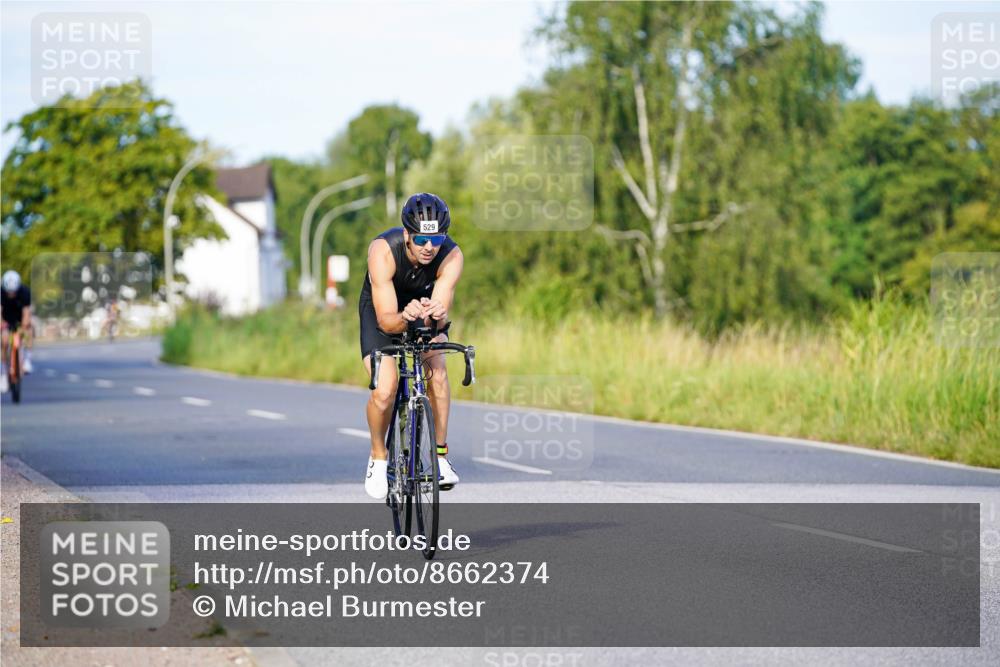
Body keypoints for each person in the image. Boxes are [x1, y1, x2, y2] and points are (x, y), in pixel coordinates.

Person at [358, 193, 464, 499]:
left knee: (438, 371)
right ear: (407, 234)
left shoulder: (452, 256)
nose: (430, 247)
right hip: (384, 313)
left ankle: (440, 458)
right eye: (420, 239)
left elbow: (438, 320)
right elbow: (388, 323)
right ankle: (378, 458)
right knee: (385, 389)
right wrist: (406, 316)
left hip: (421, 313)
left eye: (437, 239)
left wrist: (438, 318)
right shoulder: (383, 251)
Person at [1, 270, 33, 392]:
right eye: (9, 292)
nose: (11, 294)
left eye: (13, 292)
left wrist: (24, 326)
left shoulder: (25, 292)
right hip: (6, 318)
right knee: (4, 341)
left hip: (19, 317)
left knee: (29, 329)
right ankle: (3, 373)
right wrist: (3, 326)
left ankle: (27, 360)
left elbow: (26, 312)